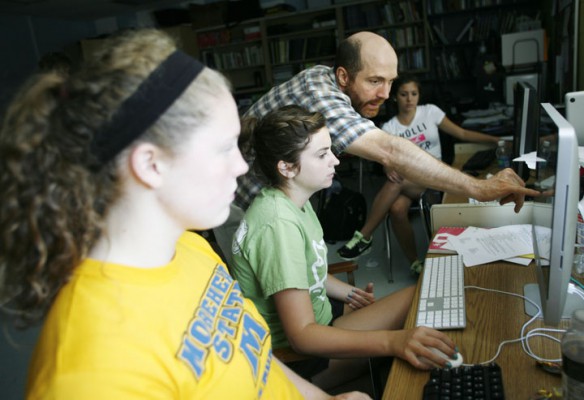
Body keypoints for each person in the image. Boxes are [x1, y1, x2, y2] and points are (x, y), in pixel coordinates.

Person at [0, 29, 368, 400]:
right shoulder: (90, 371)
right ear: (151, 164)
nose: (241, 167)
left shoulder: (192, 249)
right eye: (223, 148)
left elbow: (256, 359)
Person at [231, 105, 460, 391]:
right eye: (322, 154)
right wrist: (392, 341)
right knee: (408, 334)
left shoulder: (294, 201)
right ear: (287, 167)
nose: (336, 161)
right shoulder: (276, 223)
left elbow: (306, 271)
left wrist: (348, 293)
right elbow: (301, 336)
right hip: (304, 357)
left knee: (421, 300)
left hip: (325, 317)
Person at [234, 31, 537, 217]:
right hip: (241, 206)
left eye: (390, 81)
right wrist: (480, 187)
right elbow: (390, 151)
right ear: (343, 76)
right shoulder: (321, 95)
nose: (386, 95)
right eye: (375, 81)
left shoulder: (323, 77)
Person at [337, 74, 500, 273]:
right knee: (397, 208)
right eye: (404, 94)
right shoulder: (389, 127)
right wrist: (388, 167)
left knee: (396, 183)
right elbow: (386, 160)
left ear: (418, 96)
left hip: (435, 176)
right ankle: (415, 263)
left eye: (414, 94)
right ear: (395, 97)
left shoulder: (430, 112)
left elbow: (462, 134)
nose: (409, 99)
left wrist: (495, 140)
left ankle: (364, 235)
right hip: (409, 182)